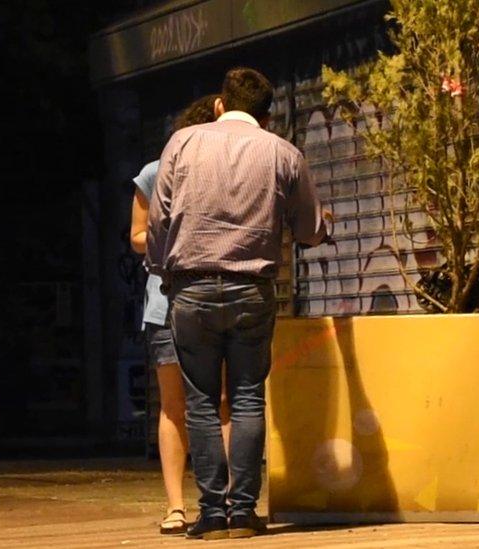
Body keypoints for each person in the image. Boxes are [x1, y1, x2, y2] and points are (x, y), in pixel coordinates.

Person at [147, 67, 331, 540]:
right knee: (248, 398)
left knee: (202, 402)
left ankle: (210, 515)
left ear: (219, 106)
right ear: (267, 116)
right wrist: (322, 225)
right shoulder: (283, 153)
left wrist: (164, 270)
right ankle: (243, 513)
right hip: (253, 291)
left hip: (192, 289)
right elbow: (309, 231)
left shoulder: (183, 144)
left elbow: (159, 222)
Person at [130, 93, 231, 536]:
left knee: (222, 401)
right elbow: (134, 235)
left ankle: (225, 500)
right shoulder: (155, 173)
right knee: (174, 407)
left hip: (213, 295)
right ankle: (176, 505)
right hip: (165, 301)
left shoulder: (226, 172)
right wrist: (169, 239)